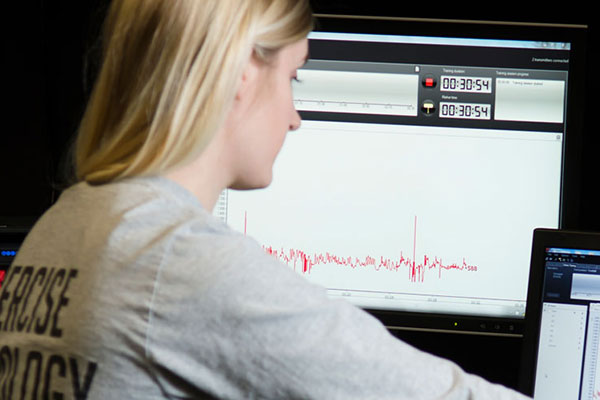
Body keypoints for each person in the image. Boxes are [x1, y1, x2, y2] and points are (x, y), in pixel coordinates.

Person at [0, 0, 531, 398]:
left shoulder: (63, 225)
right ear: (240, 75)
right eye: (292, 77)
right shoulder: (179, 261)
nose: (295, 116)